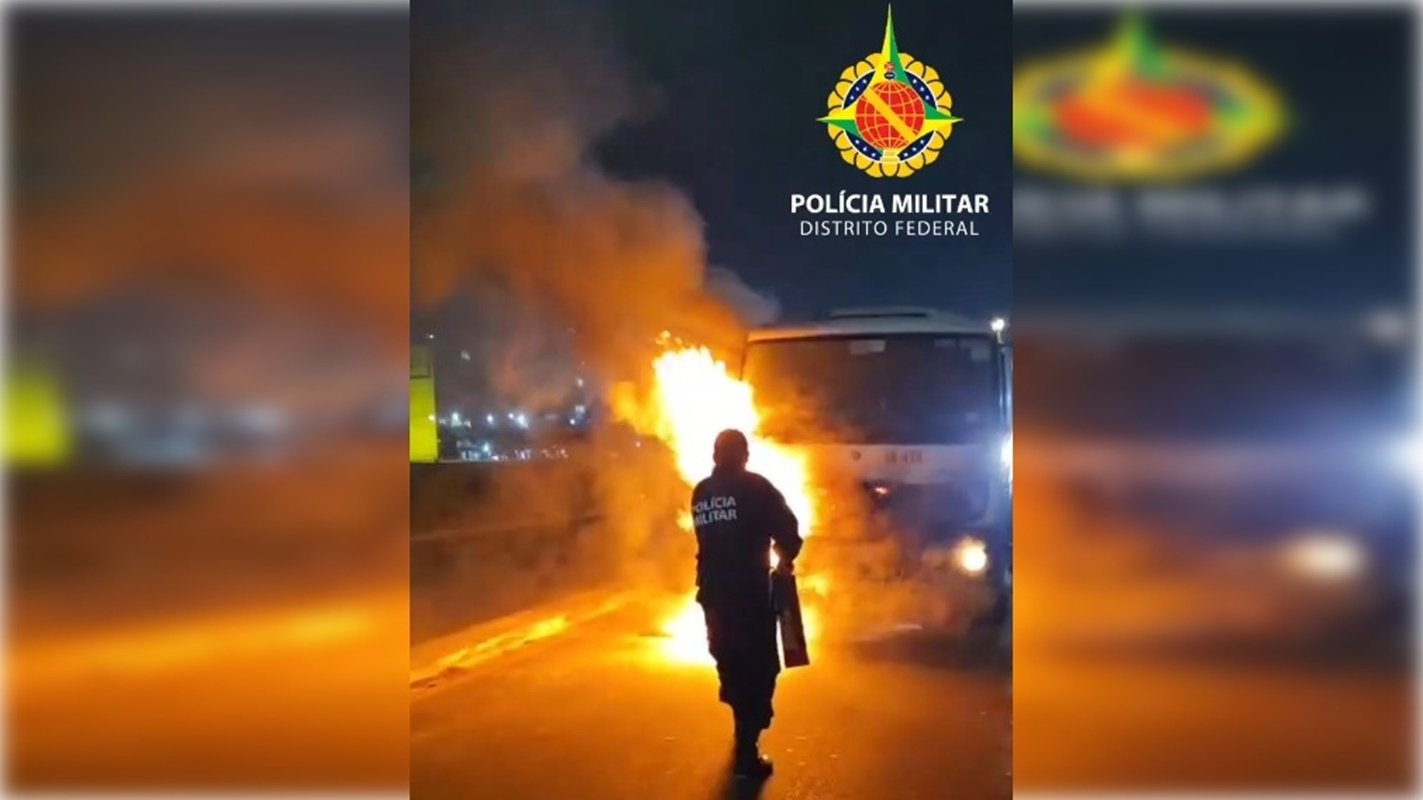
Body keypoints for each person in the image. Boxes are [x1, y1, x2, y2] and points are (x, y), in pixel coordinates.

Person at [690, 428, 802, 779]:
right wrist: (786, 559)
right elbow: (788, 529)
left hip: (713, 597)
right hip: (750, 597)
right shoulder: (756, 487)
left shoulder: (701, 492)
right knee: (760, 669)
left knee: (730, 664)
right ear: (744, 455)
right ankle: (746, 747)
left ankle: (742, 730)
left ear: (714, 455)